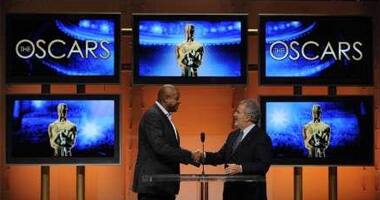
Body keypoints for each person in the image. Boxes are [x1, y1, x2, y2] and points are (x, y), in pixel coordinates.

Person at [133, 84, 200, 200]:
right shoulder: (153, 115)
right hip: (153, 186)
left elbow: (168, 147)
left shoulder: (162, 117)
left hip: (163, 186)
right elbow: (160, 148)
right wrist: (190, 156)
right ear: (166, 99)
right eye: (176, 98)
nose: (179, 102)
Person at [195, 99, 272, 200]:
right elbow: (220, 156)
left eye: (238, 112)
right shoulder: (233, 135)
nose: (234, 114)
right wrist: (203, 156)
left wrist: (241, 168)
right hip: (230, 193)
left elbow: (263, 165)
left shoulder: (261, 137)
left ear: (248, 117)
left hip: (250, 194)